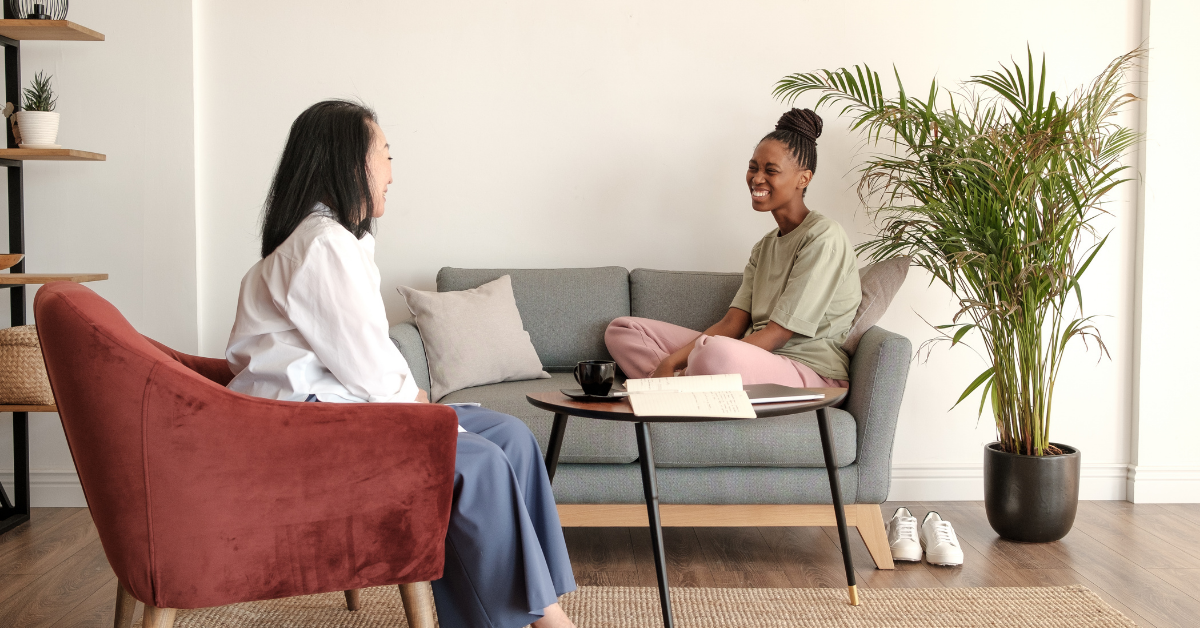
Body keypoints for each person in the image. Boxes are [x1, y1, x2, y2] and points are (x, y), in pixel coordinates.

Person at [225, 100, 577, 628]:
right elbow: (369, 370)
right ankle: (540, 618)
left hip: (346, 412)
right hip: (313, 429)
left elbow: (366, 361)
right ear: (350, 164)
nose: (392, 172)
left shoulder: (338, 242)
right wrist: (422, 409)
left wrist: (421, 405)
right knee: (478, 462)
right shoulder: (320, 247)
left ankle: (524, 609)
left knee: (511, 437)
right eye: (385, 155)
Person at [605, 108, 860, 390]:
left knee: (715, 353)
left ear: (804, 178)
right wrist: (669, 362)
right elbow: (731, 324)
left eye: (770, 170)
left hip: (809, 372)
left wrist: (697, 358)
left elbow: (777, 335)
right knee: (623, 330)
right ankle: (679, 386)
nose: (757, 178)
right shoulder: (763, 248)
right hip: (749, 358)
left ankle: (675, 386)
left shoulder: (824, 236)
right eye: (753, 167)